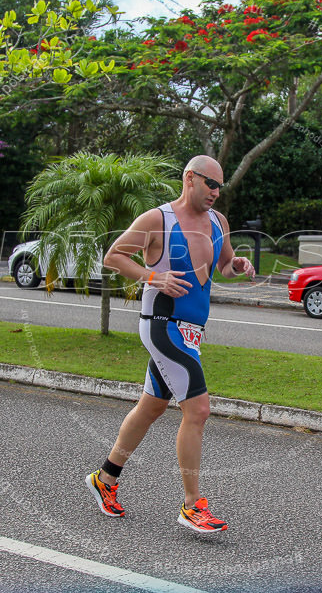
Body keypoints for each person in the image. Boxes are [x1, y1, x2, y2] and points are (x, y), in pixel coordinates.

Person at [83, 155, 254, 533]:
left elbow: (222, 266)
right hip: (162, 326)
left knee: (151, 408)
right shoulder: (158, 220)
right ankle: (192, 506)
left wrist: (237, 265)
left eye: (220, 186)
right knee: (198, 410)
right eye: (210, 183)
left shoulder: (218, 222)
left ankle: (105, 479)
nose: (216, 191)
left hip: (191, 331)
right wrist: (152, 276)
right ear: (189, 178)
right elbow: (114, 256)